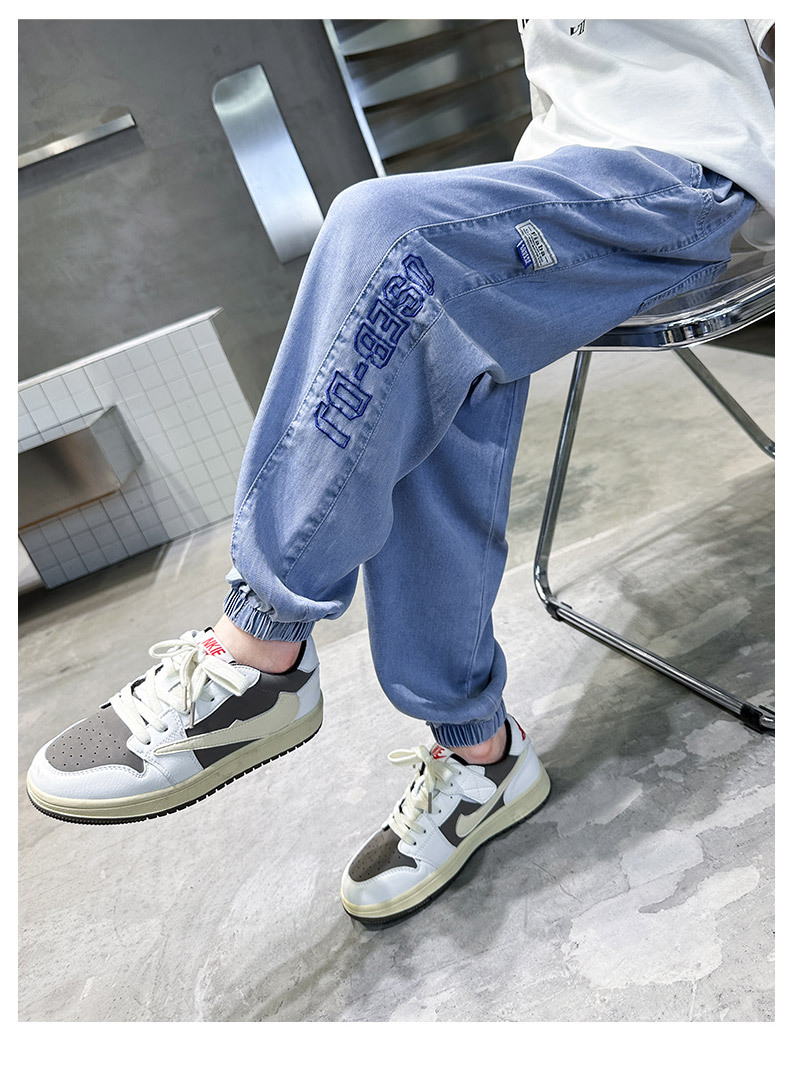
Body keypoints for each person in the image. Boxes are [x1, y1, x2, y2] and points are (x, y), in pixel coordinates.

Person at [26, 19, 774, 925]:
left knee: (382, 226)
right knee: (437, 363)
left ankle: (260, 646)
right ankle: (482, 752)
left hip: (690, 179)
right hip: (571, 179)